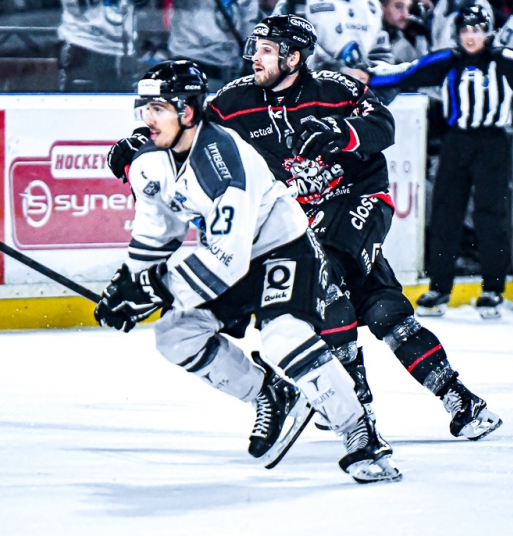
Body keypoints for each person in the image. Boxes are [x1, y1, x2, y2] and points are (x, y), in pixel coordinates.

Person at [107, 14, 502, 442]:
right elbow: (190, 126)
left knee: (324, 283)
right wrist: (139, 146)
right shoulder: (236, 100)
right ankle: (461, 398)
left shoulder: (335, 88)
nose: (254, 57)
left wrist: (339, 131)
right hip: (302, 219)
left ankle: (357, 400)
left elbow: (383, 125)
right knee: (384, 309)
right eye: (254, 47)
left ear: (293, 56)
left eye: (266, 49)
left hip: (358, 201)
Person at [96, 59, 401, 483]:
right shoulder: (151, 162)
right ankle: (269, 394)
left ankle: (359, 433)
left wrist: (159, 290)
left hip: (285, 251)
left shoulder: (222, 160)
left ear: (187, 112)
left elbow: (227, 261)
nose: (147, 119)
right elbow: (156, 233)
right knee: (173, 335)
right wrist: (129, 282)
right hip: (234, 257)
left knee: (283, 339)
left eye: (158, 108)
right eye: (144, 108)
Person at [370, 5, 513, 320]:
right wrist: (364, 78)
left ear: (487, 33)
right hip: (457, 142)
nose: (470, 37)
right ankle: (439, 286)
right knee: (446, 213)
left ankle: (493, 288)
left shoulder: (504, 61)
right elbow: (408, 72)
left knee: (491, 215)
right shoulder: (448, 60)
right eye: (465, 31)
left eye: (476, 30)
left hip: (493, 143)